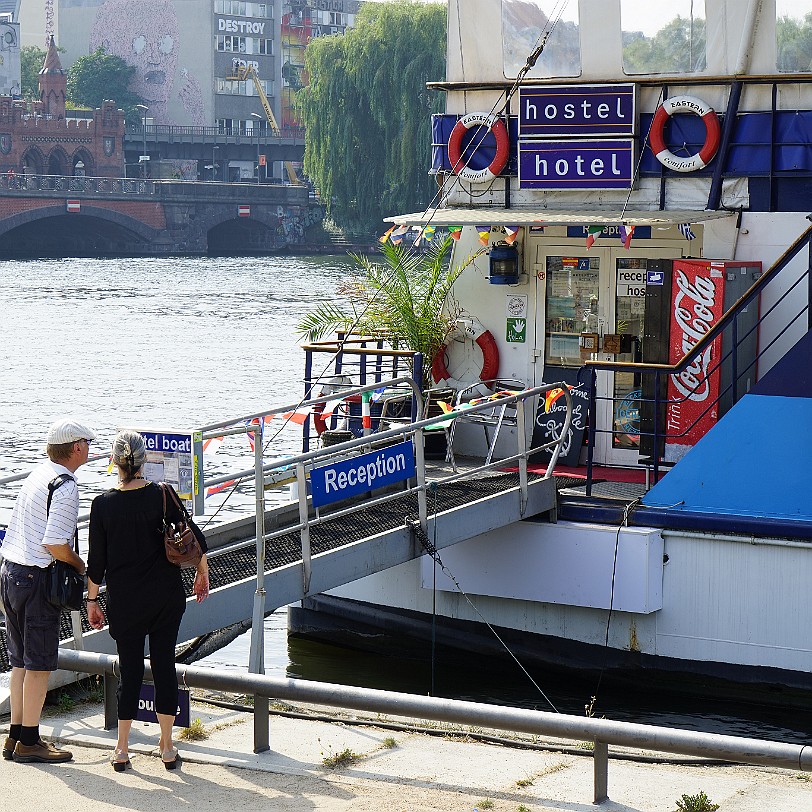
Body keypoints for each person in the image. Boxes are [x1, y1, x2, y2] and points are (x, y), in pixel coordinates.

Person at [86, 430, 209, 771]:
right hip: (165, 597)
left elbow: (97, 562)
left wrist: (92, 601)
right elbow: (192, 537)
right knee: (164, 665)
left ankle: (122, 749)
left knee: (130, 669)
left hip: (126, 601)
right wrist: (203, 572)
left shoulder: (103, 505)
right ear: (144, 461)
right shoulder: (163, 495)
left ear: (115, 463)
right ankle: (167, 747)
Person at [0, 418, 95, 764]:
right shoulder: (66, 485)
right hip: (36, 578)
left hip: (10, 571)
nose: (90, 447)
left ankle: (15, 736)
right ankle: (30, 741)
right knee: (39, 664)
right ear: (76, 448)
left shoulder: (38, 474)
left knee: (20, 662)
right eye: (87, 441)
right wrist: (79, 565)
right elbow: (55, 543)